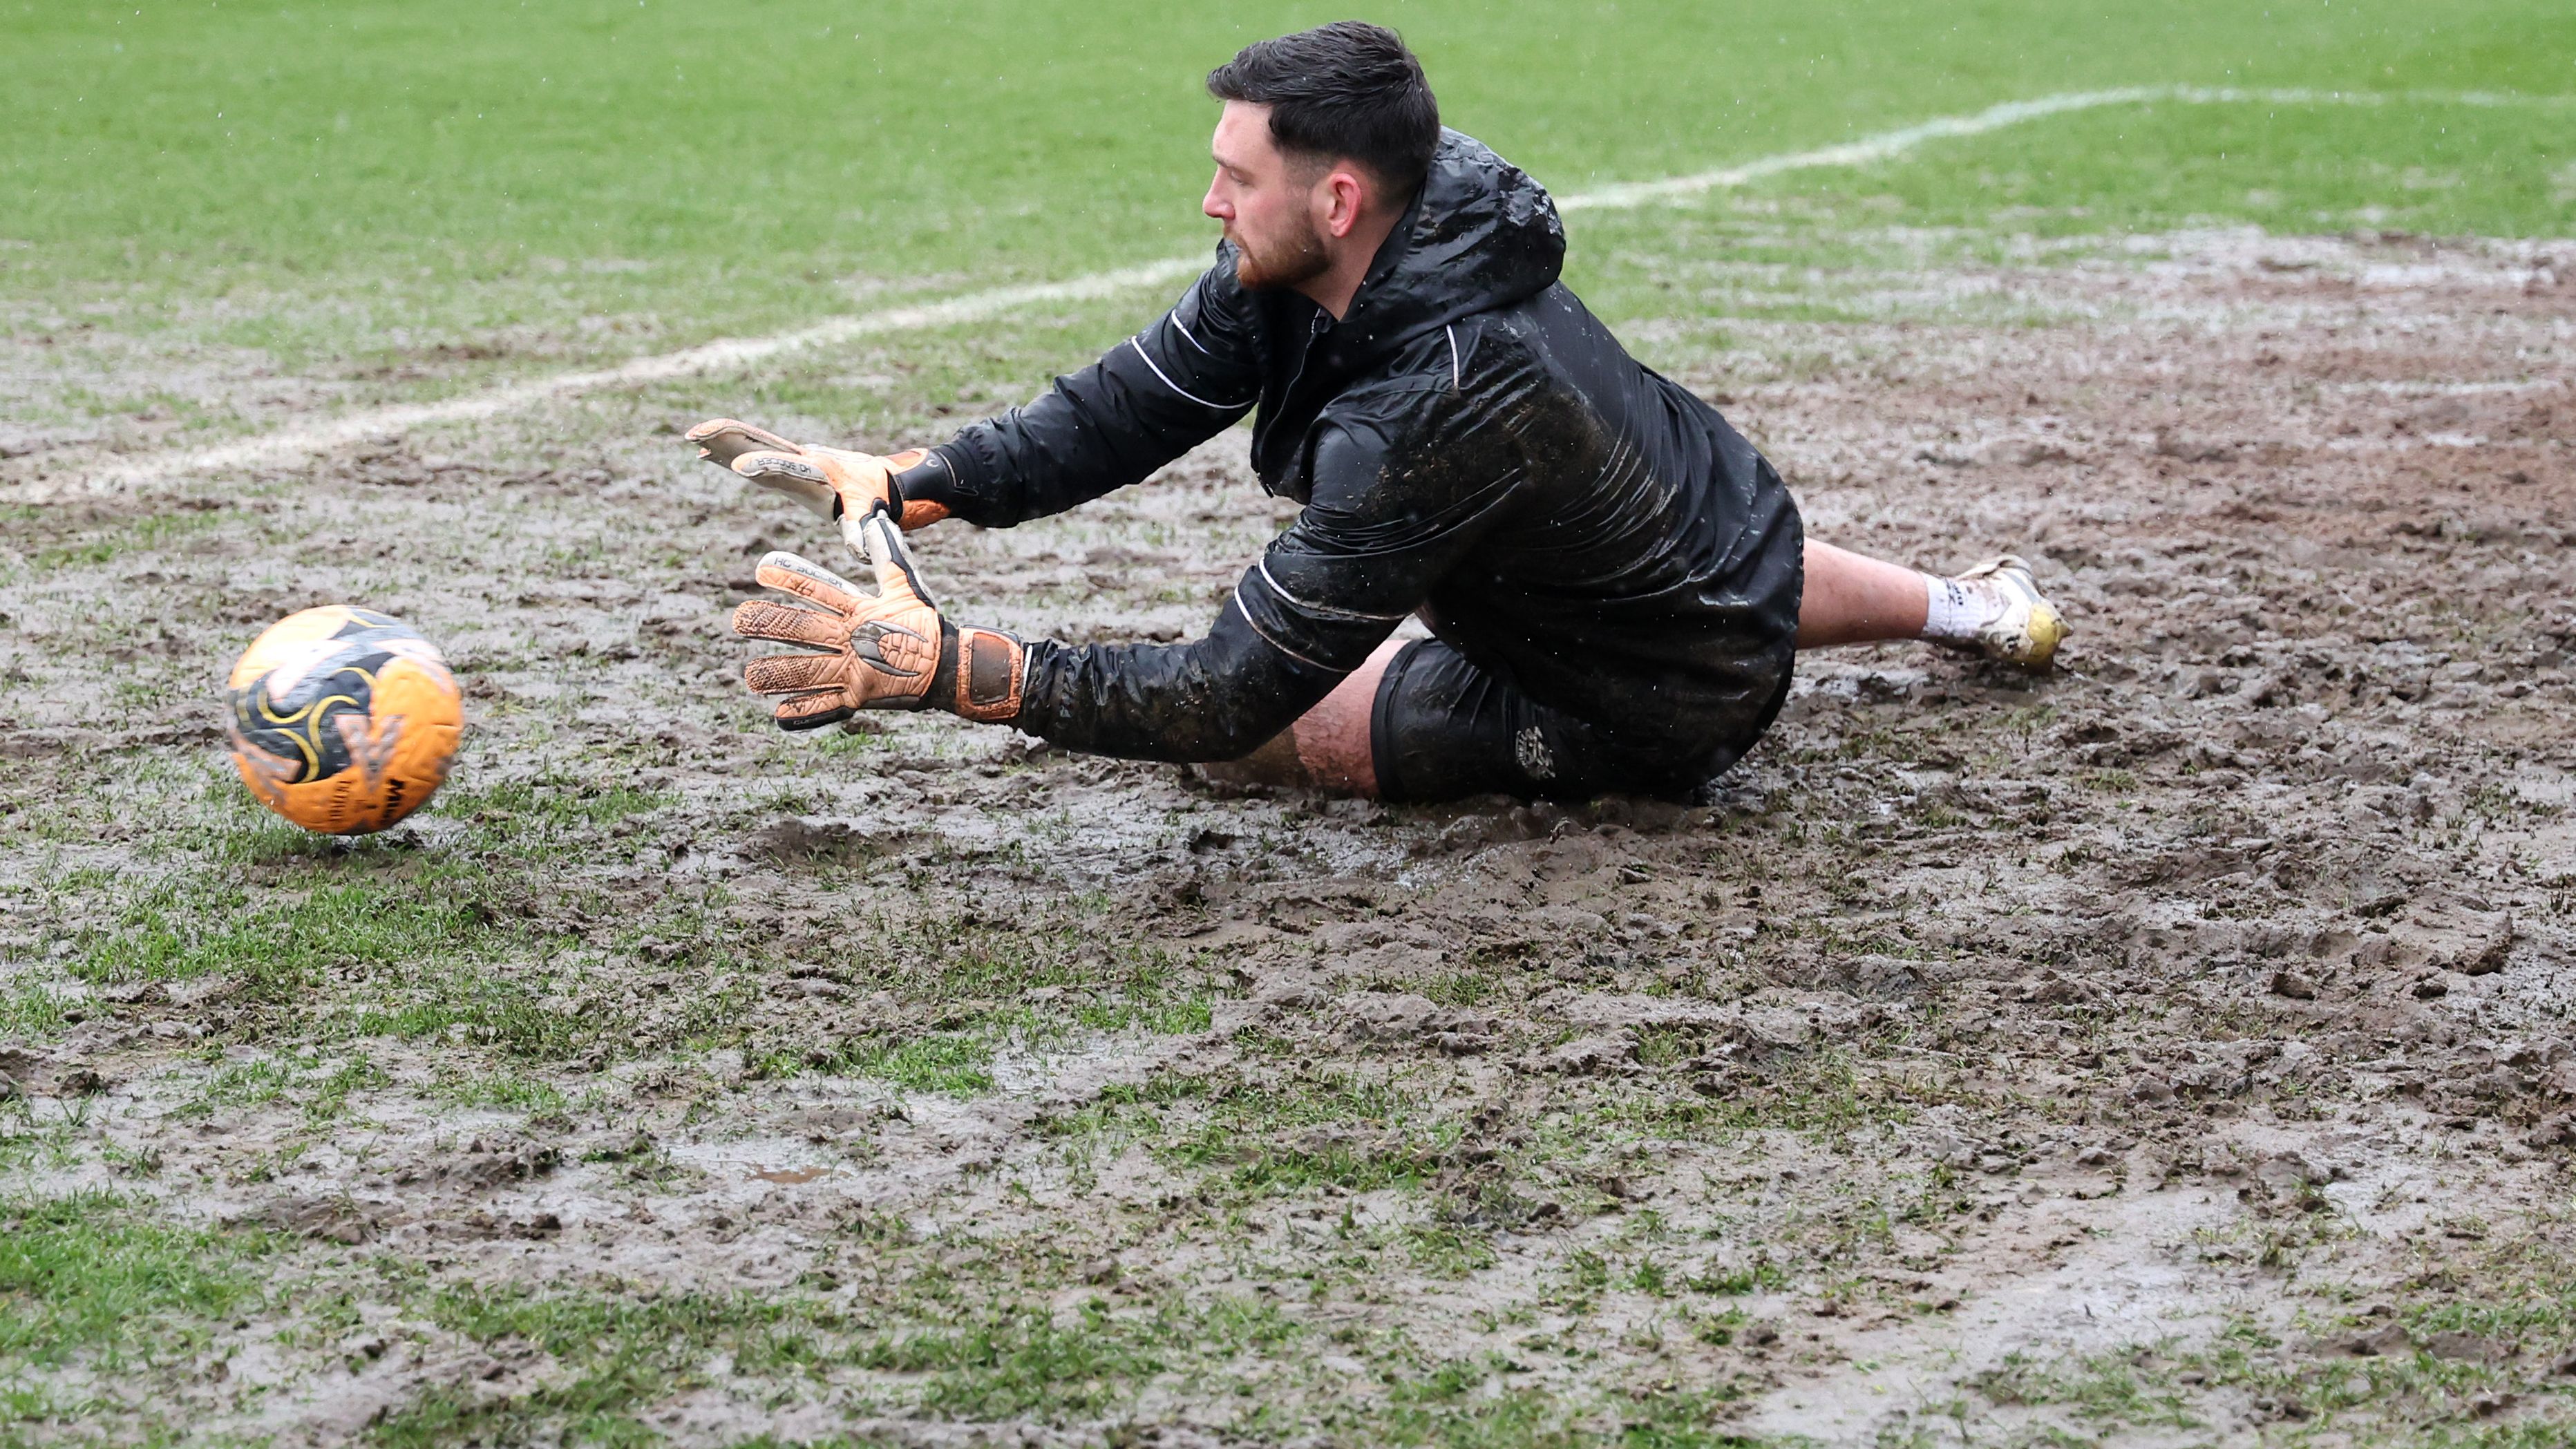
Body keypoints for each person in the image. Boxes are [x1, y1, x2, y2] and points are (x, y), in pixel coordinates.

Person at [689, 21, 2066, 803]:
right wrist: (920, 479)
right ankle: (1965, 606)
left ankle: (1859, 644)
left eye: (1236, 175)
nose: (1211, 202)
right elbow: (1138, 398)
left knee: (1235, 753)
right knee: (1650, 555)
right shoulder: (1385, 220)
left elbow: (1234, 684)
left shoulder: (1442, 403)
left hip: (1646, 697)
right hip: (1712, 527)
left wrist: (958, 668)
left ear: (1335, 198)